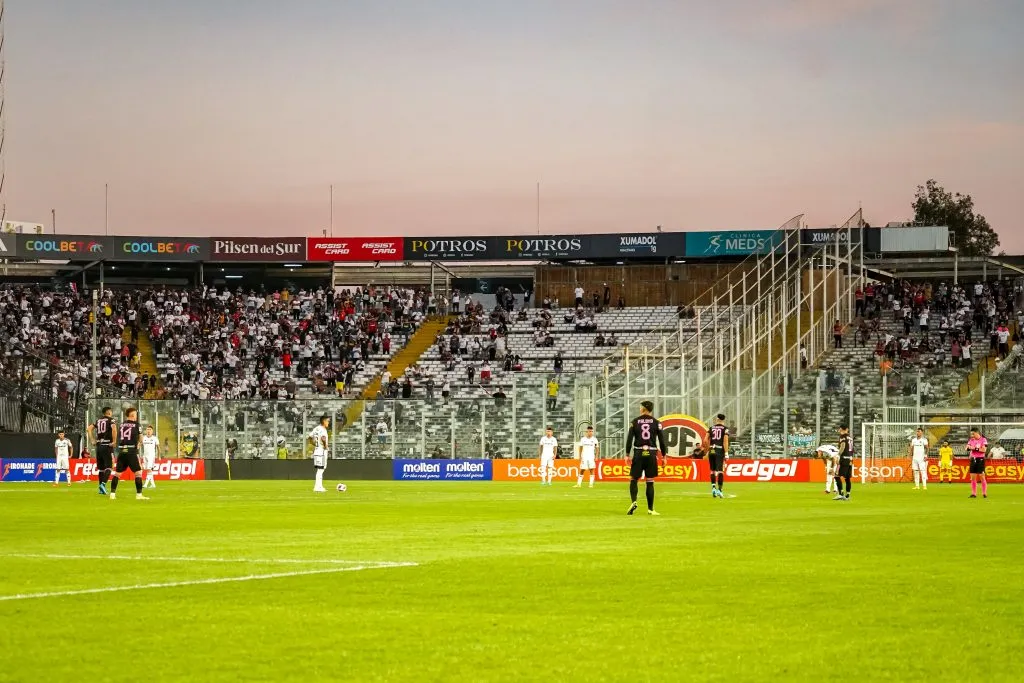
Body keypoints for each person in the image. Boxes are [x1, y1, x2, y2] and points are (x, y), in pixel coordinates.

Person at [625, 400, 667, 516]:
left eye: (640, 407)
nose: (639, 409)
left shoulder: (635, 422)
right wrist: (664, 456)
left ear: (644, 408)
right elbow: (662, 441)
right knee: (650, 481)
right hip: (651, 453)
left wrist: (627, 454)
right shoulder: (656, 423)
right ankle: (650, 509)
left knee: (633, 479)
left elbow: (629, 439)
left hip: (638, 452)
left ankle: (634, 501)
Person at [110, 407, 148, 501]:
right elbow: (141, 438)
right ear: (132, 415)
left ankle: (112, 494)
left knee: (117, 473)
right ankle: (139, 495)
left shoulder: (122, 424)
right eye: (135, 414)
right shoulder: (136, 424)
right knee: (138, 473)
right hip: (131, 451)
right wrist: (139, 443)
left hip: (122, 451)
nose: (136, 416)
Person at [87, 407, 116, 496]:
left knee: (101, 469)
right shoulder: (111, 420)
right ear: (109, 412)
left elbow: (89, 428)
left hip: (99, 446)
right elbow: (114, 429)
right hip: (107, 445)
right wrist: (114, 441)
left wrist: (92, 439)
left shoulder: (98, 420)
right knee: (110, 467)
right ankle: (103, 484)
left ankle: (100, 488)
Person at [706, 414, 729, 498]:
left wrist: (707, 449)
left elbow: (705, 440)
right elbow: (725, 441)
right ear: (723, 420)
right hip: (719, 450)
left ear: (717, 419)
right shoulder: (725, 429)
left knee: (712, 470)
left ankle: (713, 488)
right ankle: (719, 490)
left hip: (712, 449)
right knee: (720, 471)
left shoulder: (711, 428)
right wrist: (726, 453)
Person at [310, 415, 330, 493]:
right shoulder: (323, 430)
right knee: (321, 470)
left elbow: (310, 437)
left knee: (320, 469)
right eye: (327, 421)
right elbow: (323, 438)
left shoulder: (316, 428)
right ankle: (317, 487)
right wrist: (325, 446)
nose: (328, 422)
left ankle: (319, 486)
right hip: (322, 451)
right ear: (324, 421)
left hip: (317, 450)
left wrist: (314, 444)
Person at [966, 427, 988, 499]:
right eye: (971, 434)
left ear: (976, 432)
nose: (972, 435)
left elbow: (984, 450)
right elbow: (966, 448)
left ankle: (984, 493)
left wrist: (974, 448)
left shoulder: (983, 440)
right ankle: (974, 493)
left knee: (982, 477)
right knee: (973, 478)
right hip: (973, 459)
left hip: (980, 459)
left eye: (973, 434)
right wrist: (977, 449)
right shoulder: (971, 440)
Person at [833, 424, 853, 501]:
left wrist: (838, 455)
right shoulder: (850, 438)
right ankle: (847, 495)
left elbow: (843, 446)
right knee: (847, 478)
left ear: (841, 429)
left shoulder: (843, 437)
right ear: (847, 429)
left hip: (844, 459)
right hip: (850, 459)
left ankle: (841, 494)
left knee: (836, 476)